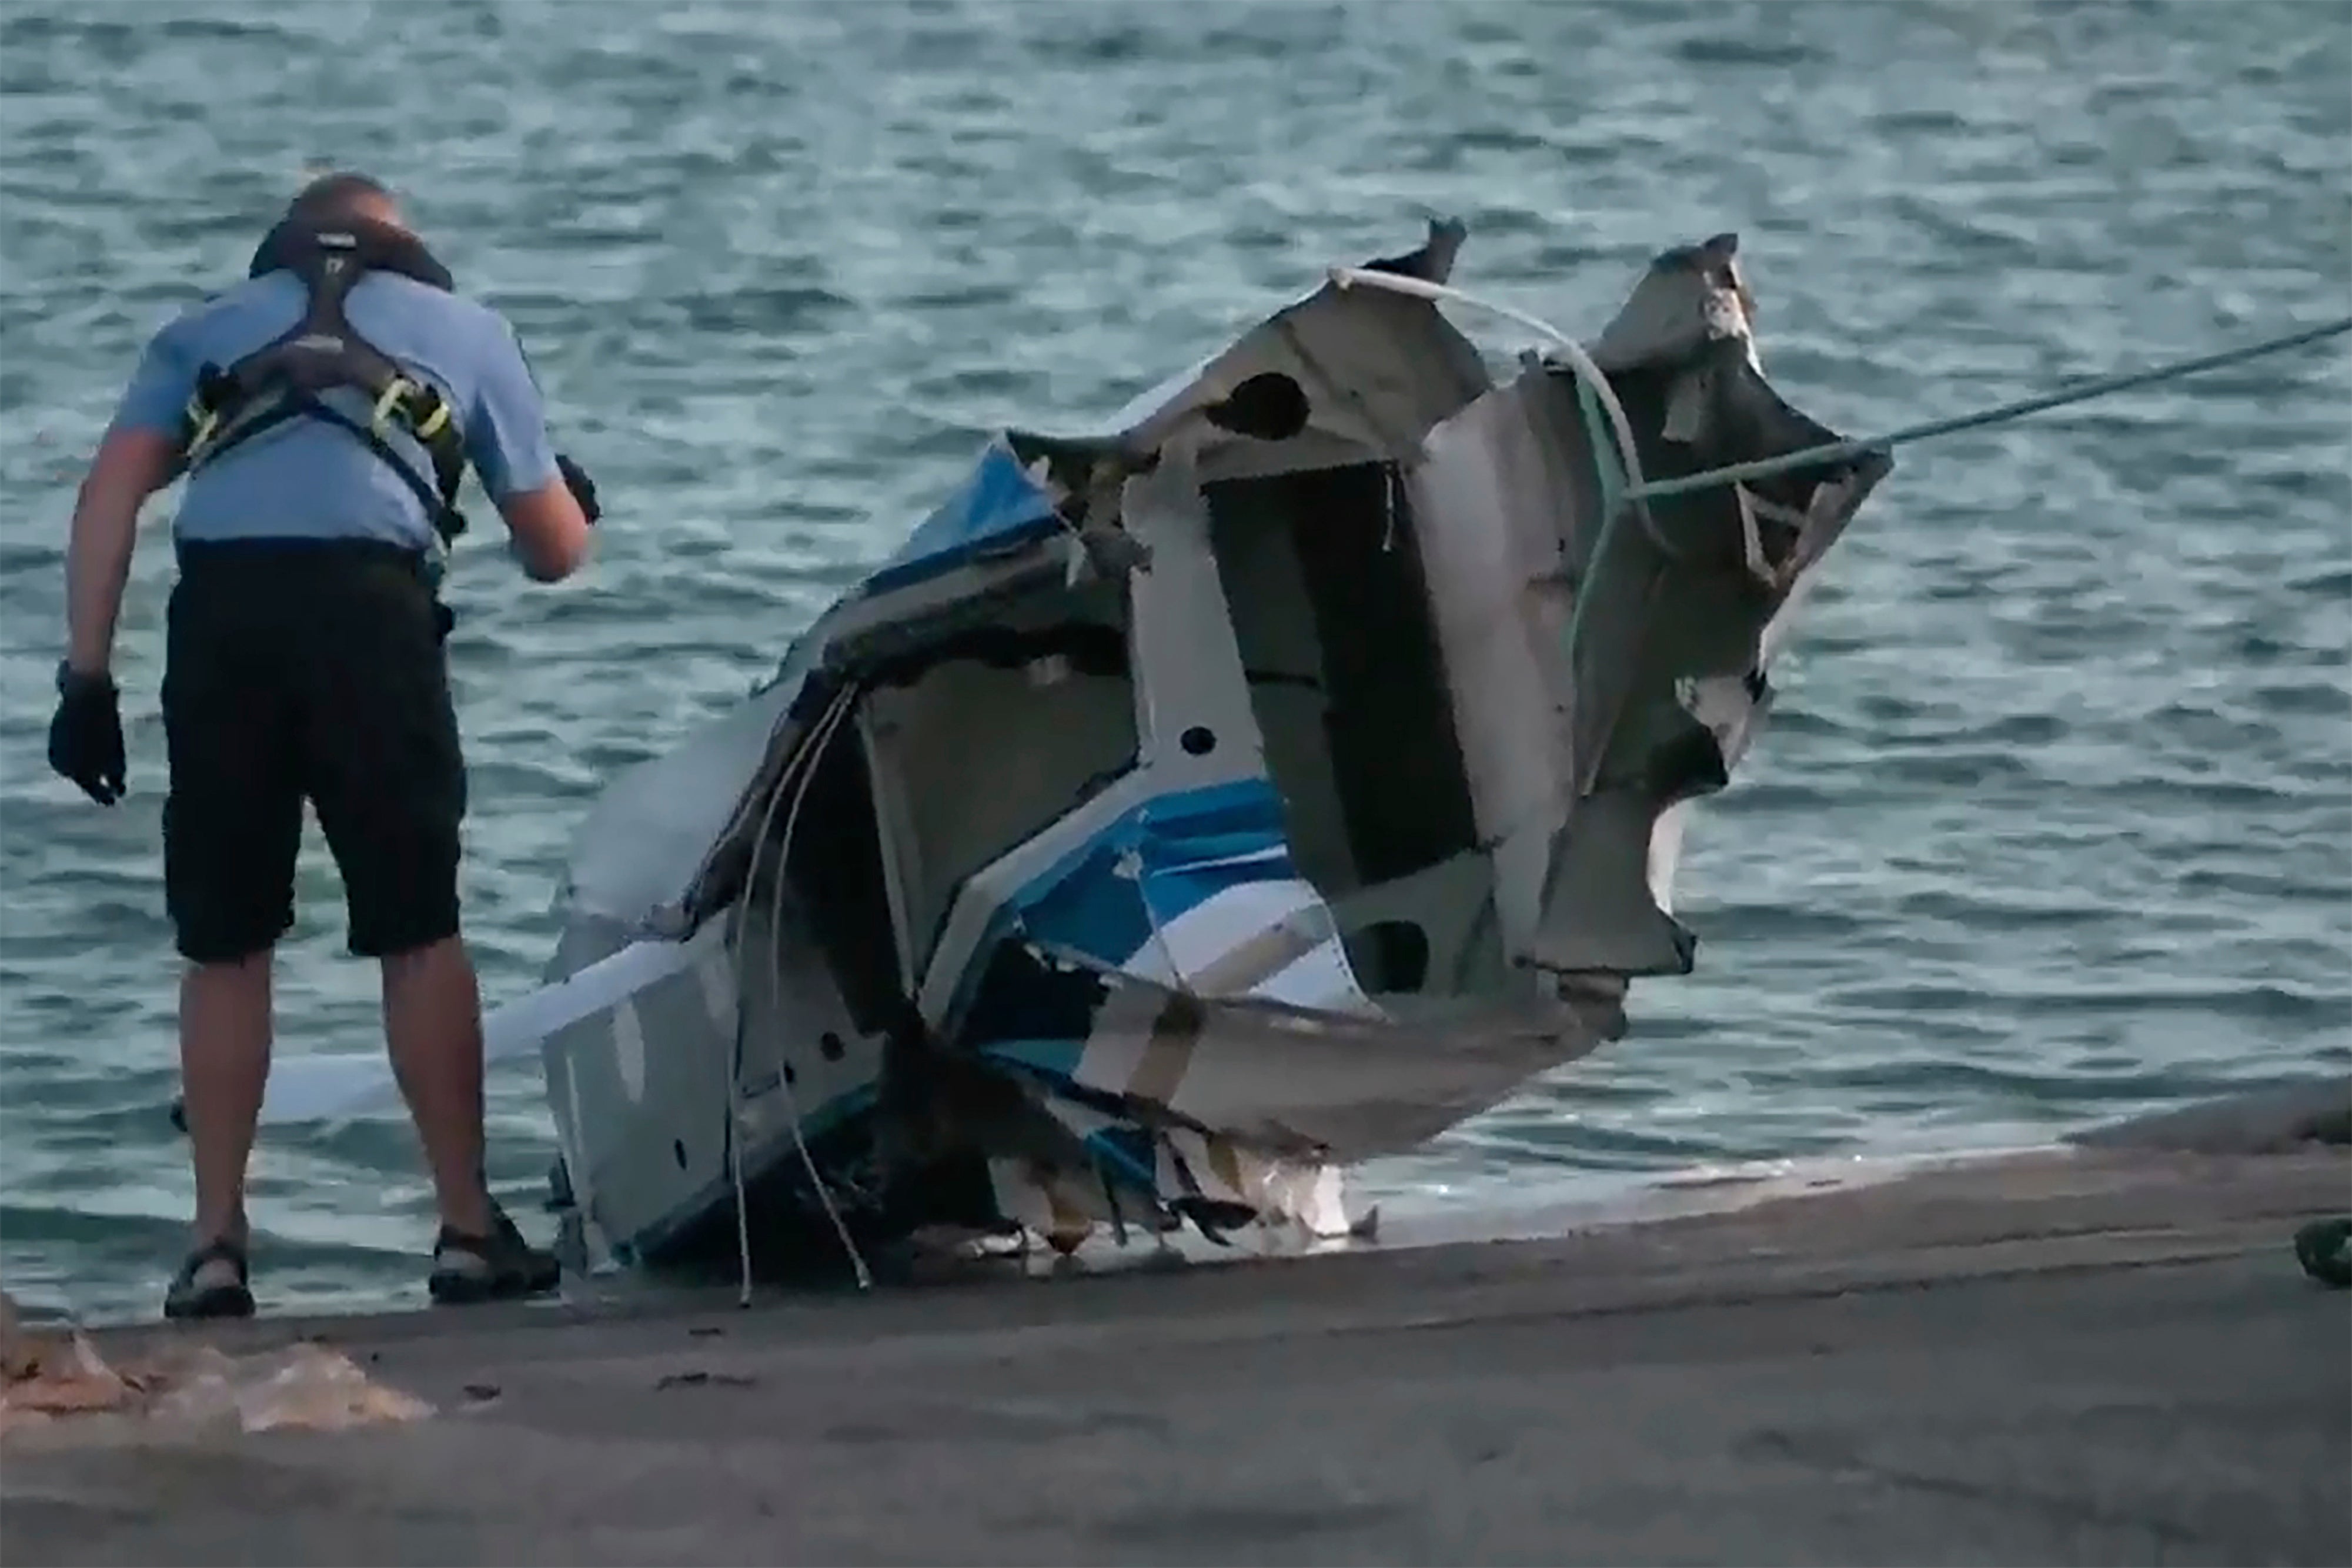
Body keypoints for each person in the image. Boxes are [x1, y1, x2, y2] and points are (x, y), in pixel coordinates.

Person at [45, 171, 602, 1319]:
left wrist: (86, 680)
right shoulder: (467, 332)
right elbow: (555, 552)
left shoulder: (200, 330)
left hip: (222, 620)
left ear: (281, 245)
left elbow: (108, 498)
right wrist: (569, 501)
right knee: (417, 926)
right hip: (370, 616)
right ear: (409, 248)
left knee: (225, 940)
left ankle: (213, 1248)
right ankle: (463, 1229)